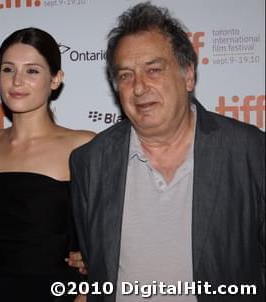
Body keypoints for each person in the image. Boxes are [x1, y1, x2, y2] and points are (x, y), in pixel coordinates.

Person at [70, 2, 265, 302]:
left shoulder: (248, 151)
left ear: (188, 75)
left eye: (154, 69)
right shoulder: (90, 162)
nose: (139, 87)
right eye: (125, 75)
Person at [0, 27, 95, 302]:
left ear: (55, 79)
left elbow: (111, 229)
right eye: (8, 69)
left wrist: (88, 289)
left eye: (32, 71)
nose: (17, 81)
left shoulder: (83, 145)